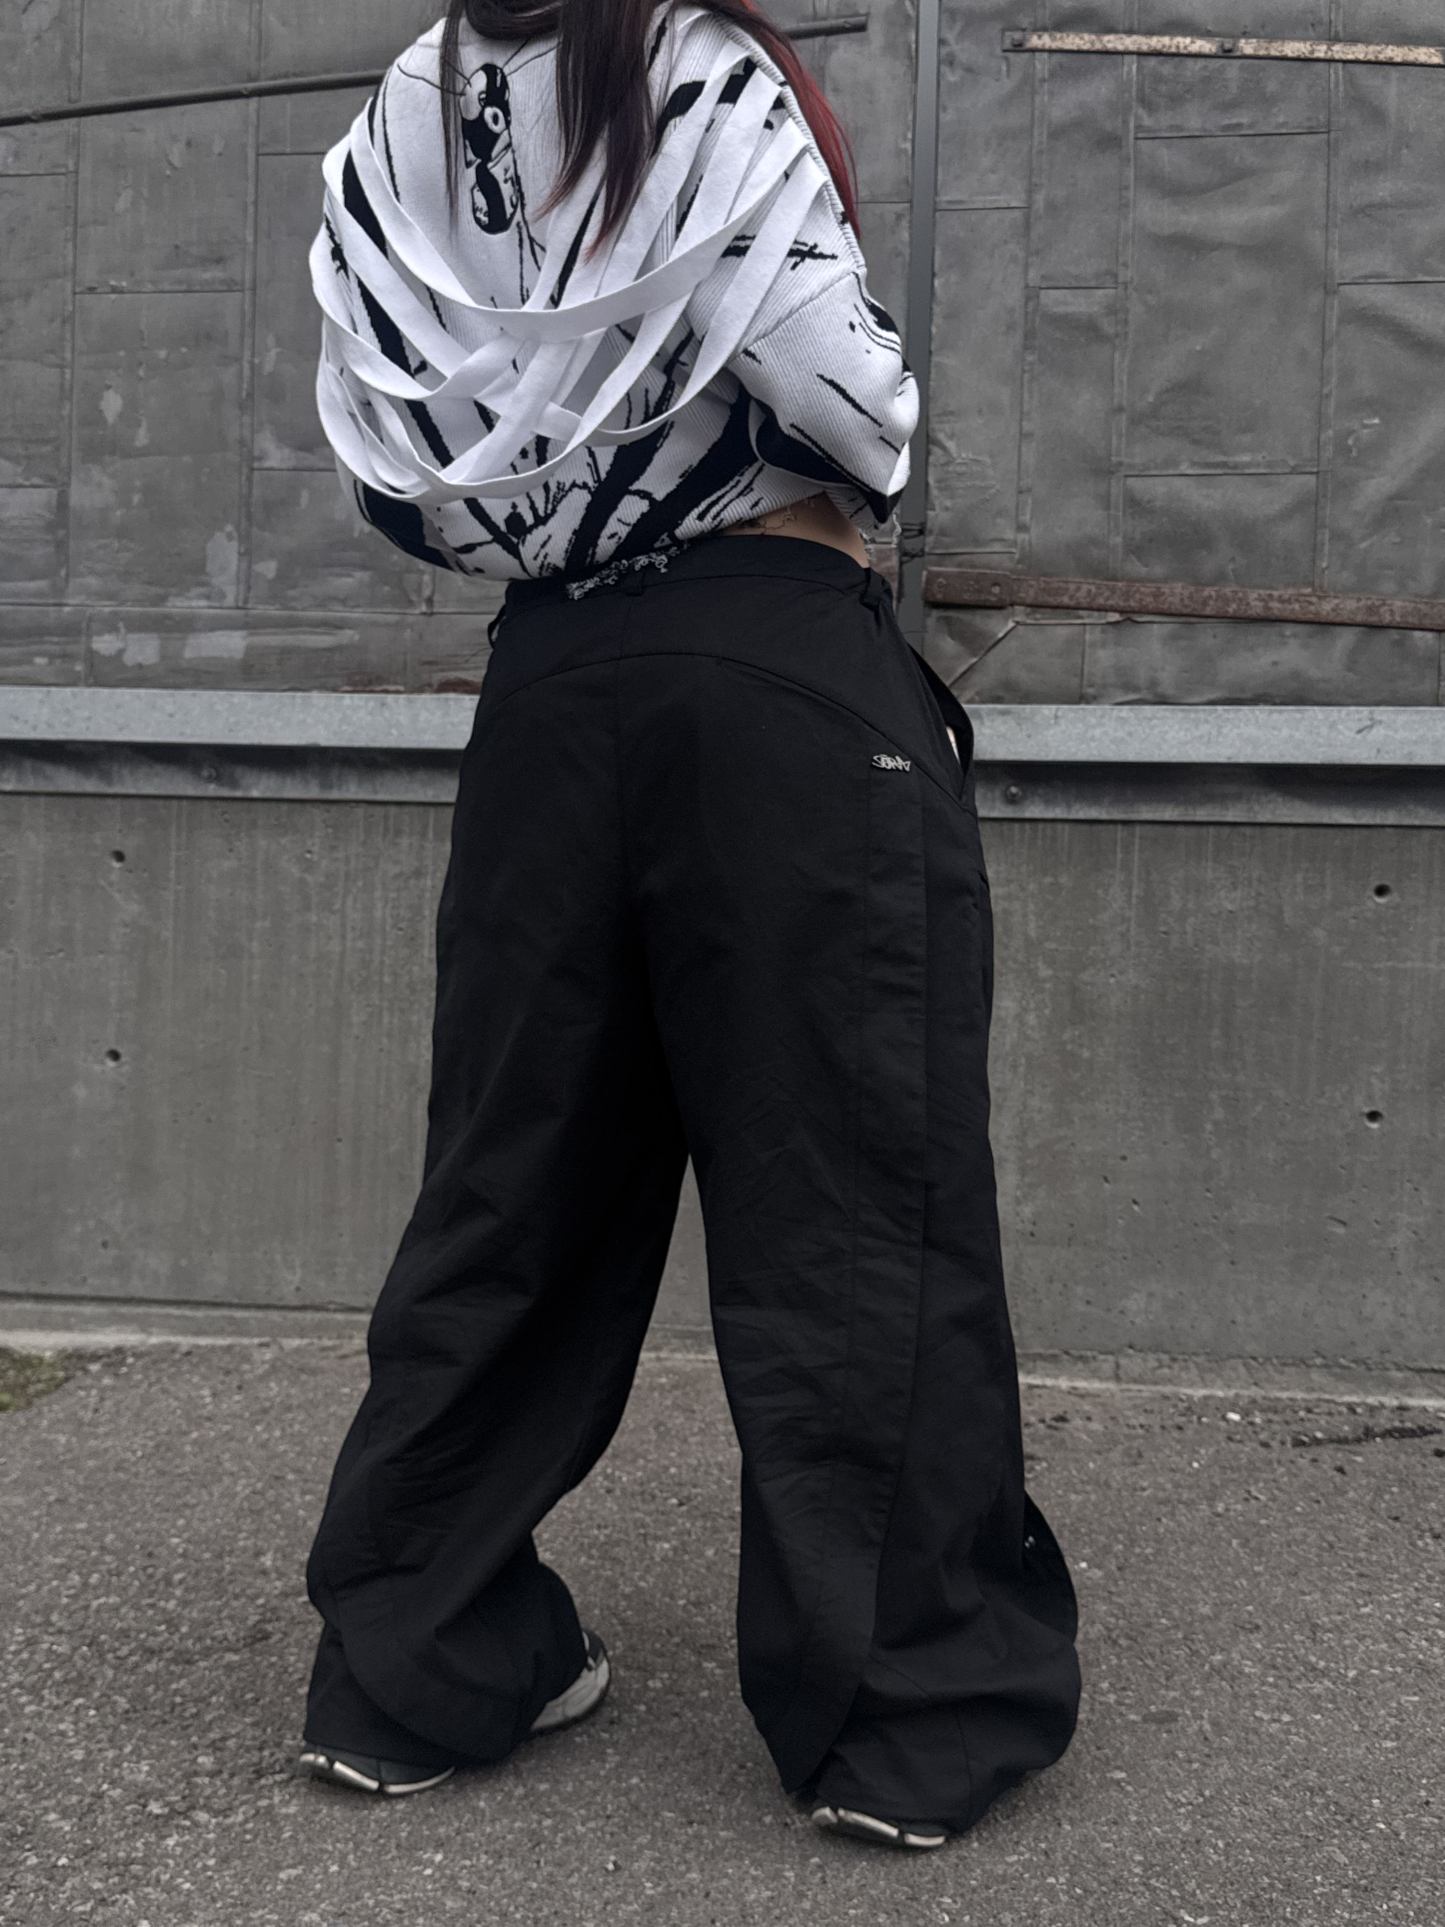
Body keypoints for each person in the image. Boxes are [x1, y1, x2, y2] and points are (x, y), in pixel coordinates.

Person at [296, 0, 1082, 1852]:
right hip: (771, 666)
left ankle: (409, 1669)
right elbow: (839, 389)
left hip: (549, 696)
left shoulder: (408, 114)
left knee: (511, 1190)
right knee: (850, 1196)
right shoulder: (702, 70)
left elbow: (394, 474)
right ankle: (904, 1718)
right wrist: (873, 428)